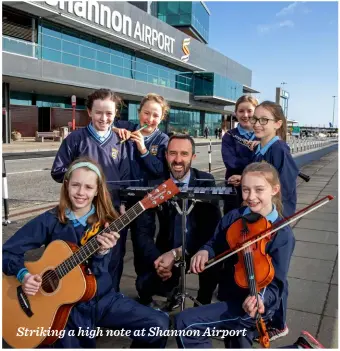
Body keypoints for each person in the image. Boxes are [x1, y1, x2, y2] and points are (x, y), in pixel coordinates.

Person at [3, 158, 169, 348]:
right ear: (66, 186)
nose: (81, 193)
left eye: (88, 187)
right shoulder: (50, 219)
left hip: (101, 299)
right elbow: (6, 253)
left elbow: (104, 273)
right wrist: (24, 275)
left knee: (158, 325)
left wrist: (102, 253)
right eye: (75, 185)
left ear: (98, 190)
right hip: (64, 308)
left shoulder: (109, 224)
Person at [174, 162, 295, 348]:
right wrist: (205, 250)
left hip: (254, 303)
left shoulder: (281, 233)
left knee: (186, 322)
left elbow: (277, 284)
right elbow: (215, 242)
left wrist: (260, 298)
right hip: (229, 292)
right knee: (237, 343)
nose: (251, 197)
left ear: (274, 190)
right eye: (246, 190)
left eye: (259, 190)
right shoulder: (234, 217)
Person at [228, 101, 299, 340]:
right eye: (255, 119)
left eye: (263, 120)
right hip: (261, 219)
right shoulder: (260, 147)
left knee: (277, 273)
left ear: (278, 124)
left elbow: (286, 189)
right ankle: (264, 313)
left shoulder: (278, 149)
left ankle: (278, 322)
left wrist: (278, 222)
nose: (256, 123)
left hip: (273, 221)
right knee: (264, 270)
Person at [51, 89, 130, 292]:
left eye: (109, 113)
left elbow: (125, 177)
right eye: (98, 113)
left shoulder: (120, 141)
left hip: (112, 212)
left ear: (115, 114)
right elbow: (58, 171)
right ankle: (77, 297)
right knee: (80, 257)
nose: (104, 118)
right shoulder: (76, 139)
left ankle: (110, 296)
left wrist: (123, 204)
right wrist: (81, 180)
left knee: (113, 255)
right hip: (81, 212)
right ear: (89, 112)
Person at [134, 135, 222, 309]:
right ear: (166, 155)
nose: (178, 160)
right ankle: (169, 293)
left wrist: (181, 252)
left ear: (193, 157)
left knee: (215, 260)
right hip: (165, 251)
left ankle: (202, 304)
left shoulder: (206, 181)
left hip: (194, 248)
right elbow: (142, 230)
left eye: (184, 154)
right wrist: (157, 260)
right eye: (173, 153)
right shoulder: (156, 184)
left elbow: (212, 227)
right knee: (143, 284)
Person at [112, 93, 169, 187]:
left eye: (155, 116)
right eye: (146, 113)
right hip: (123, 190)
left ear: (161, 118)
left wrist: (144, 150)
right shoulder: (127, 127)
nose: (150, 119)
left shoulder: (163, 140)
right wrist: (116, 129)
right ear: (139, 113)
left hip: (148, 195)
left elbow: (161, 171)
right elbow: (105, 125)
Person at [222, 95, 259, 215]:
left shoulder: (263, 136)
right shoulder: (229, 136)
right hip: (235, 190)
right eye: (241, 111)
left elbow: (270, 164)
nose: (245, 115)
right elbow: (231, 163)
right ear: (236, 113)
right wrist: (256, 161)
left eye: (249, 111)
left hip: (258, 189)